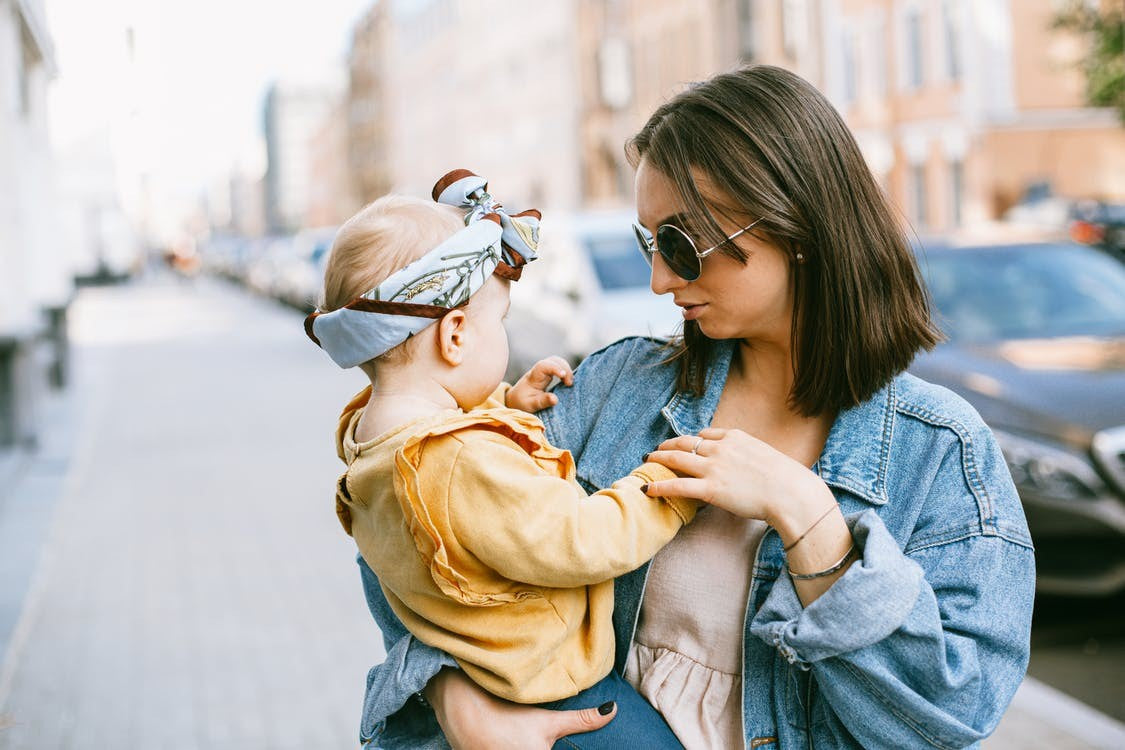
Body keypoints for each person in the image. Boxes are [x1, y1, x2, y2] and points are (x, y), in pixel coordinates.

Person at [353, 66, 1036, 749]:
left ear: (793, 221)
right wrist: (454, 695)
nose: (657, 280)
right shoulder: (617, 386)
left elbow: (943, 721)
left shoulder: (941, 451)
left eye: (681, 245)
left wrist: (810, 522)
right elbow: (409, 527)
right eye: (650, 243)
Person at [306, 170, 699, 749]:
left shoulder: (374, 442)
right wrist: (666, 483)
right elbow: (581, 538)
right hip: (551, 690)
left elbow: (444, 480)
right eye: (501, 321)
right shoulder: (462, 461)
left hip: (480, 678)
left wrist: (503, 406)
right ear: (456, 336)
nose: (506, 336)